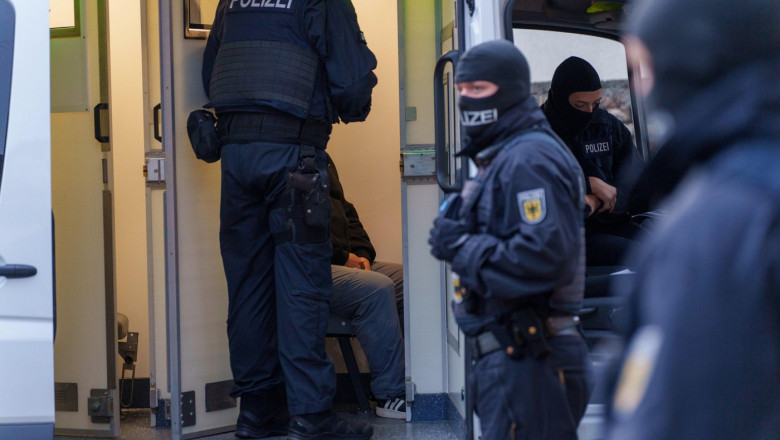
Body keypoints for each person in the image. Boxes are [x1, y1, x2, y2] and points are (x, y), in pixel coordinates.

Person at [201, 0, 377, 438]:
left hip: (236, 159)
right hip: (292, 161)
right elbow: (354, 87)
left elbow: (212, 74)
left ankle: (258, 412)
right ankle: (311, 417)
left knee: (248, 288)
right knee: (302, 288)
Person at [604, 1, 780, 439]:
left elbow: (669, 417)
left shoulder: (719, 220)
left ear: (688, 60)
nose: (640, 87)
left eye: (642, 65)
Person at [428, 40, 592, 440]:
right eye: (461, 91)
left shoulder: (528, 158)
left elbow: (542, 257)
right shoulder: (502, 155)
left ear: (511, 90)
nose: (467, 100)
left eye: (479, 90)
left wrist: (461, 247)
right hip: (515, 359)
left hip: (532, 358)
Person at [542, 56, 646, 266]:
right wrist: (587, 184)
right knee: (640, 256)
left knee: (668, 247)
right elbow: (537, 184)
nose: (589, 112)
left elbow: (635, 182)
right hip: (568, 237)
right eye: (580, 105)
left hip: (615, 222)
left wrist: (596, 201)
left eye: (595, 103)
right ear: (559, 98)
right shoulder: (535, 132)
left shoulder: (606, 126)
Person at [326, 153, 406, 419]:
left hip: (343, 261)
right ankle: (390, 394)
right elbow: (296, 230)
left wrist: (362, 256)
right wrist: (341, 257)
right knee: (378, 287)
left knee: (407, 280)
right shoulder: (283, 155)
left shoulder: (321, 156)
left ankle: (415, 383)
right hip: (311, 266)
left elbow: (347, 213)